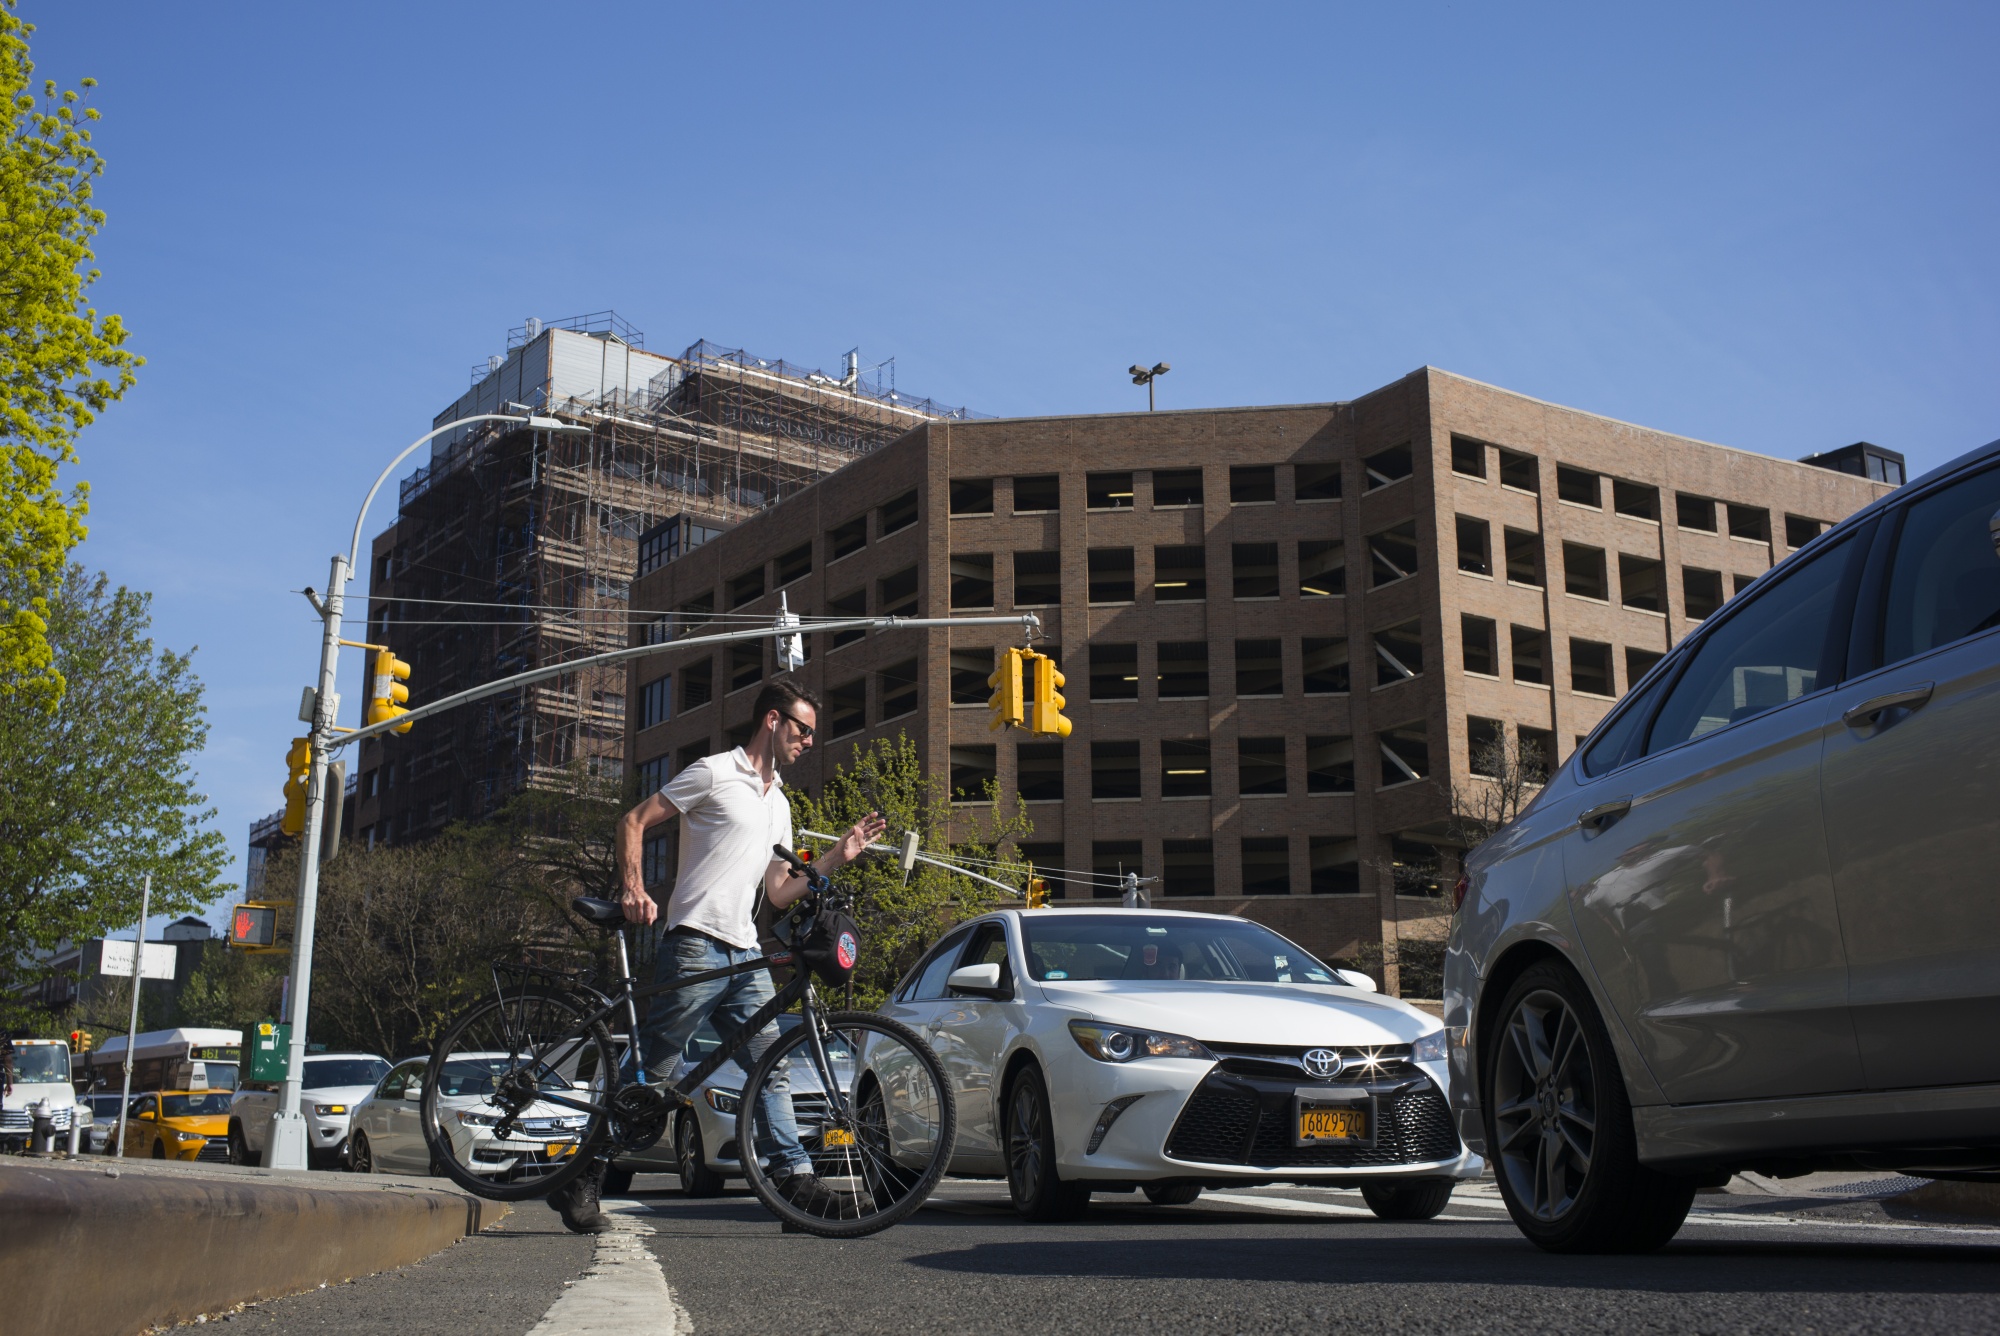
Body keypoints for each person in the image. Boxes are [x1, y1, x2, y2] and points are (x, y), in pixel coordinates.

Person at [547, 676, 886, 1234]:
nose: (807, 742)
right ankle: (582, 1175)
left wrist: (833, 858)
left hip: (745, 950)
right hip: (696, 943)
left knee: (771, 1066)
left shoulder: (779, 805)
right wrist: (634, 887)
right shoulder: (713, 771)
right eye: (802, 730)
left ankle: (795, 1187)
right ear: (772, 721)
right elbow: (633, 821)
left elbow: (778, 891)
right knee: (654, 1072)